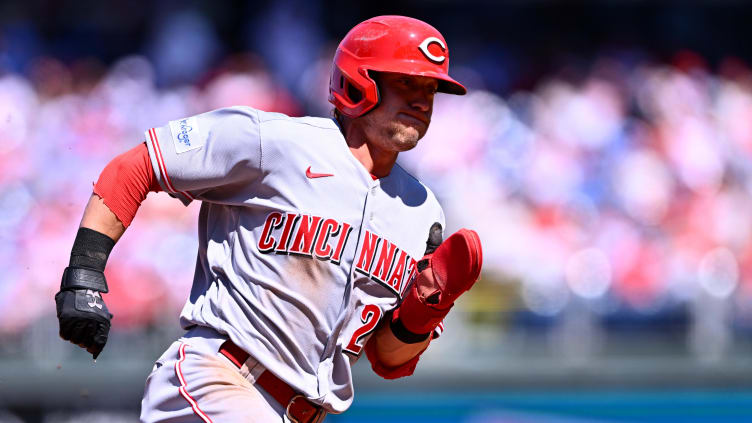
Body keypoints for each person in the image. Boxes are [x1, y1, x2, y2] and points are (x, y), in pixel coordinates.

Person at [55, 15, 482, 423]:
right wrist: (84, 273)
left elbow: (387, 358)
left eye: (430, 88)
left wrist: (426, 309)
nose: (421, 99)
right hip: (218, 376)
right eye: (406, 81)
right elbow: (138, 166)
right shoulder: (274, 142)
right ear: (359, 83)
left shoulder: (422, 212)